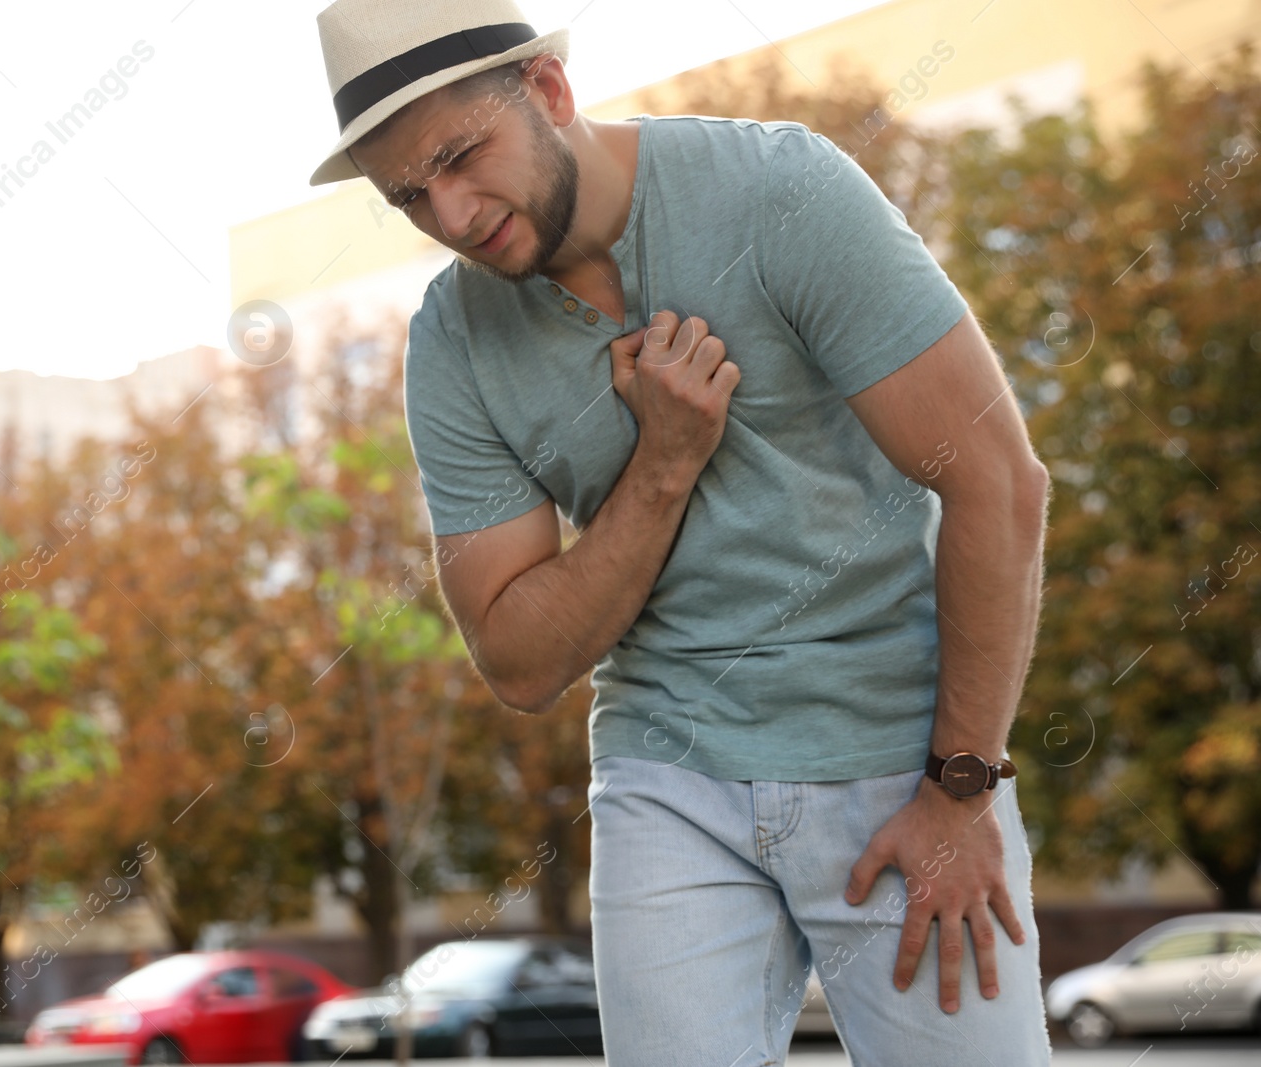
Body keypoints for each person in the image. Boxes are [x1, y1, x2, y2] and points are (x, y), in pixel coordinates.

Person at [309, 2, 1054, 1063]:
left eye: (461, 157)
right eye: (410, 197)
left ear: (549, 93)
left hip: (901, 757)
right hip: (667, 776)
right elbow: (519, 659)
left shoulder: (778, 191)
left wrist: (961, 790)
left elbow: (998, 484)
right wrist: (661, 466)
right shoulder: (450, 342)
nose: (455, 214)